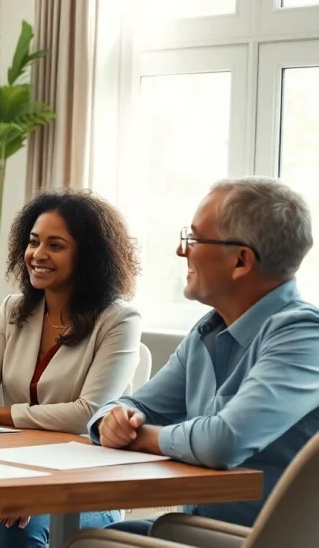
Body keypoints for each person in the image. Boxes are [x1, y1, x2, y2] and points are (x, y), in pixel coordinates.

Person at [0, 189, 142, 548]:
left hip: (84, 482)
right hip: (11, 471)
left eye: (56, 245)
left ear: (88, 257)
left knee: (19, 535)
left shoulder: (119, 320)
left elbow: (88, 414)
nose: (38, 254)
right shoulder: (14, 310)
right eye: (33, 242)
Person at [90, 177, 319, 535]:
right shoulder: (207, 331)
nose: (183, 251)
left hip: (264, 538)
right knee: (95, 538)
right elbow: (134, 406)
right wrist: (112, 420)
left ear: (241, 260)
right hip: (199, 529)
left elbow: (223, 441)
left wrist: (141, 437)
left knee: (90, 544)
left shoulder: (303, 335)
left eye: (194, 239)